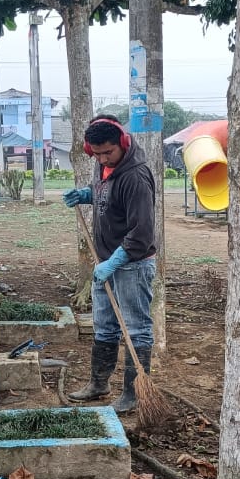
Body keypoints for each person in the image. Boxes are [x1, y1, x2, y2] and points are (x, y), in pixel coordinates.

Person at [63, 115, 155, 413]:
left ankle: (133, 394)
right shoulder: (102, 164)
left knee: (136, 329)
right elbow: (108, 195)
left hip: (132, 265)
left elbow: (142, 233)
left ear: (123, 143)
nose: (103, 159)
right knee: (104, 326)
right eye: (97, 154)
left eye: (108, 153)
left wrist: (115, 260)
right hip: (105, 261)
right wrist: (86, 194)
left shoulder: (136, 176)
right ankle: (99, 383)